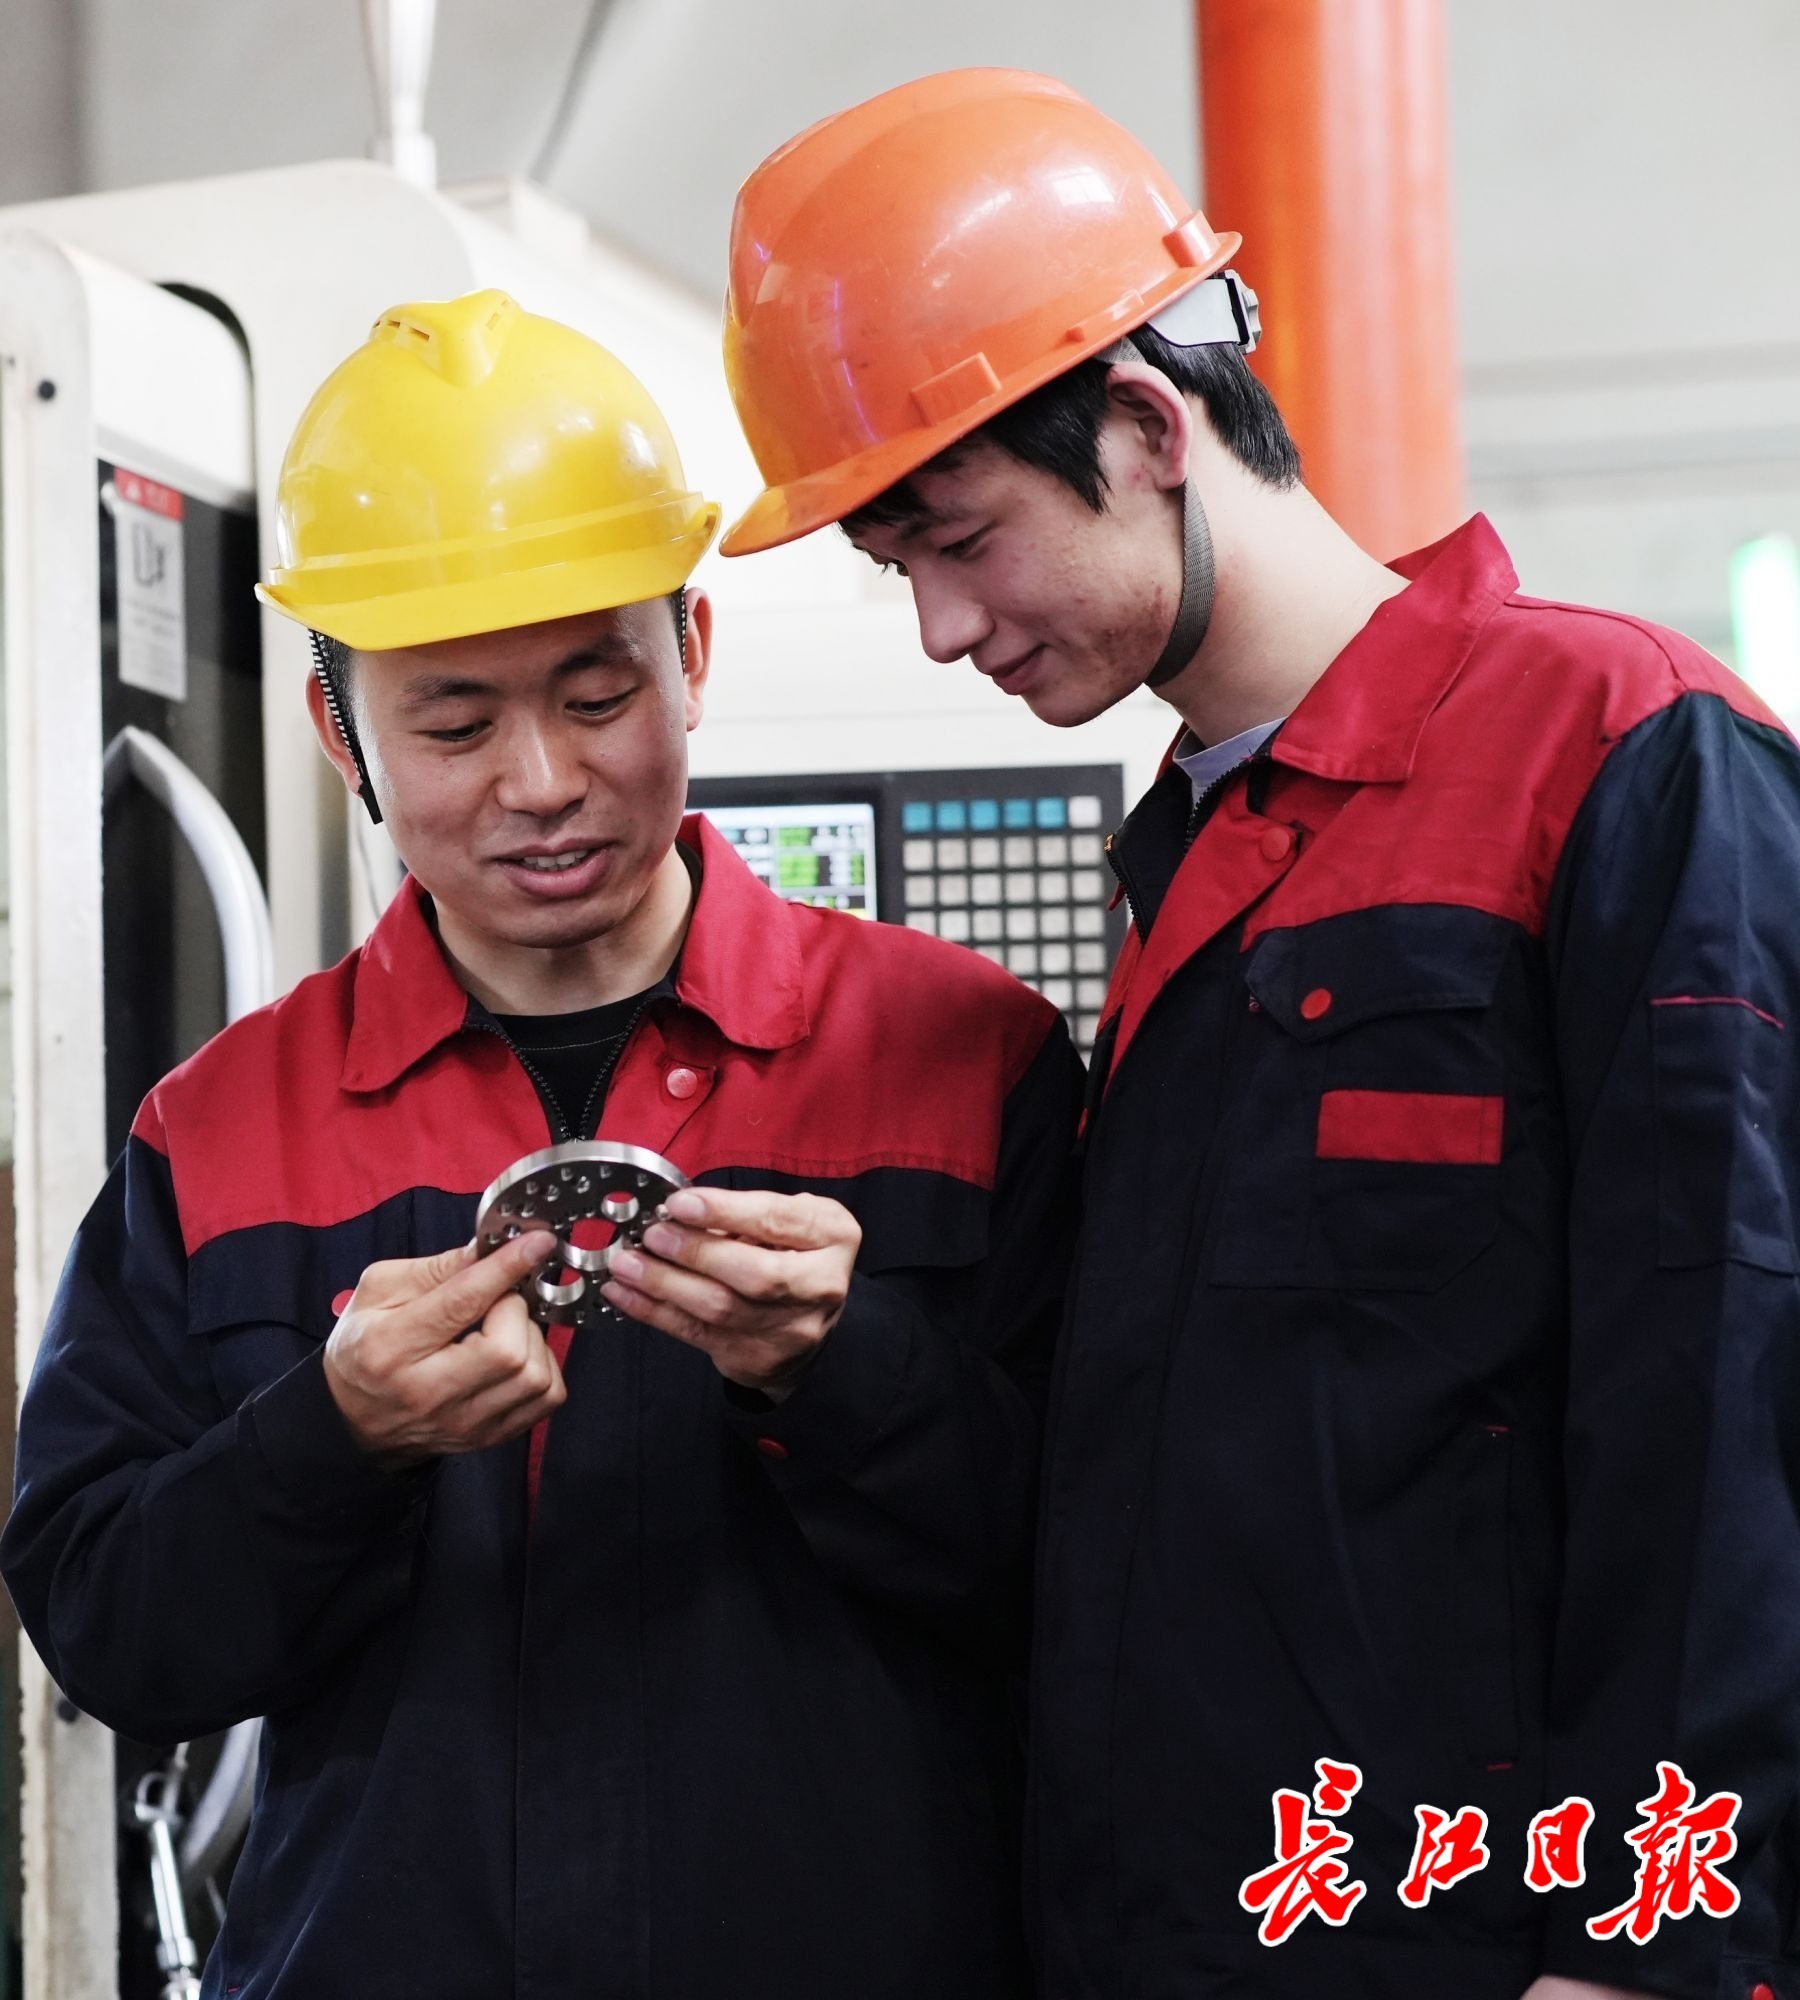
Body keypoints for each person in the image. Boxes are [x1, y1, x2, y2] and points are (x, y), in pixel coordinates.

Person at [717, 67, 1800, 2000]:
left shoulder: (1613, 749)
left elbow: (1733, 1385)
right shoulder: (1188, 876)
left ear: (1149, 426)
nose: (943, 631)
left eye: (959, 541)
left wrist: (1656, 1948)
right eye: (900, 574)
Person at [1, 290, 1079, 1995]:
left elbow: (1113, 1578)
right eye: (453, 724)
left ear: (693, 656)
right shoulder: (216, 1138)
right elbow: (113, 1636)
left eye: (596, 694)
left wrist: (846, 1371)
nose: (541, 781)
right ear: (341, 729)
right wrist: (332, 1436)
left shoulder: (958, 1055)